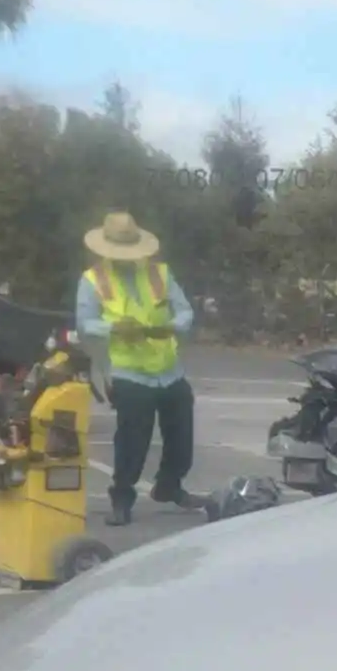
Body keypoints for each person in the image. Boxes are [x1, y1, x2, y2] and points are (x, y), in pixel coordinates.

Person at [76, 211, 206, 526]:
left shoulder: (159, 273)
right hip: (127, 371)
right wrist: (115, 328)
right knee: (132, 439)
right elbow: (85, 323)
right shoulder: (93, 279)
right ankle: (121, 497)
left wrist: (173, 327)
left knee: (181, 433)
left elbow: (185, 311)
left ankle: (169, 486)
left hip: (167, 368)